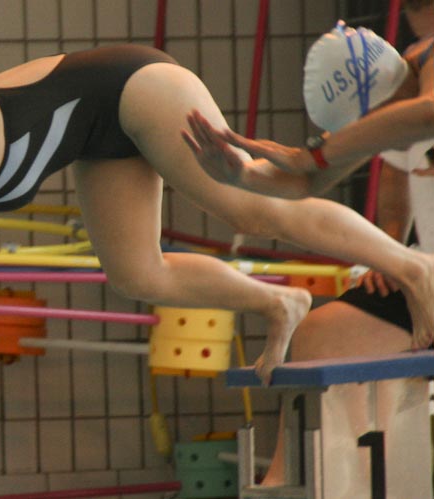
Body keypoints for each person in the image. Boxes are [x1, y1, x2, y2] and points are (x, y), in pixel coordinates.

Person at [0, 43, 434, 386]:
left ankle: (411, 267)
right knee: (137, 273)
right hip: (101, 129)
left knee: (245, 201)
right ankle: (280, 304)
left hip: (139, 88)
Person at [183, 0, 434, 485]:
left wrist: (313, 154)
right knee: (322, 337)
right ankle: (296, 484)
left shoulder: (426, 63)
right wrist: (242, 175)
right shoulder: (401, 81)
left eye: (371, 123)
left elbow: (424, 114)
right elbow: (307, 184)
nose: (378, 136)